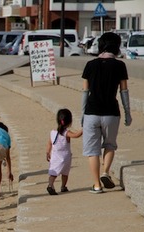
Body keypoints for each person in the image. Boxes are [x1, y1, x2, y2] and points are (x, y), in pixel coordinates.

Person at [81, 32, 132, 194]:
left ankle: (96, 185)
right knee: (110, 145)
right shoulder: (119, 65)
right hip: (111, 112)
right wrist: (128, 112)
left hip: (91, 112)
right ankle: (105, 172)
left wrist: (83, 113)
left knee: (92, 151)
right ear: (116, 47)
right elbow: (124, 91)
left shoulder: (90, 65)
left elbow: (85, 92)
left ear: (101, 45)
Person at [46, 109, 83, 195]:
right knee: (65, 173)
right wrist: (83, 129)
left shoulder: (53, 132)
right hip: (65, 157)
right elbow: (76, 135)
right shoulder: (66, 132)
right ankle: (63, 186)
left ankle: (50, 185)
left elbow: (49, 143)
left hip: (55, 156)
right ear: (69, 121)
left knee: (53, 174)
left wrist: (47, 152)